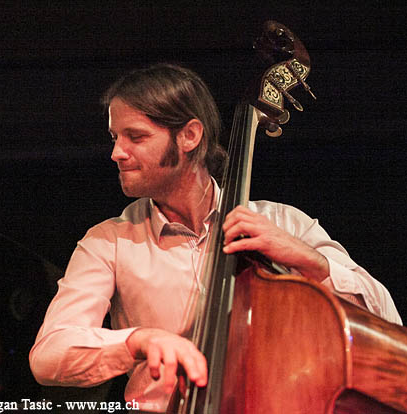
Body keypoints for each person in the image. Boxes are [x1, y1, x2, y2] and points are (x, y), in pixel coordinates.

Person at [29, 63, 402, 412]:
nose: (116, 153)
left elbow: (386, 324)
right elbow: (48, 354)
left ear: (189, 136)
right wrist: (138, 340)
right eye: (115, 137)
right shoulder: (108, 242)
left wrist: (309, 260)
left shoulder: (285, 223)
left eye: (135, 137)